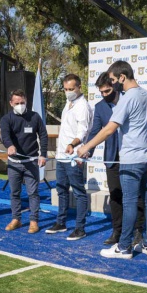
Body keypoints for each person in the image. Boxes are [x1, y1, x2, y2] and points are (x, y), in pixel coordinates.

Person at [78, 60, 147, 259]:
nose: (113, 84)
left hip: (132, 159)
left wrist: (86, 146)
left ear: (122, 77)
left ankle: (124, 247)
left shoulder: (127, 97)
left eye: (113, 80)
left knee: (129, 202)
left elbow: (110, 128)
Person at [86, 72, 145, 245]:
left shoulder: (129, 99)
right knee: (115, 195)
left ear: (114, 86)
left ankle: (138, 231)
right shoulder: (100, 107)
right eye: (101, 92)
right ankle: (117, 231)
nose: (105, 95)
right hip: (112, 158)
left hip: (132, 156)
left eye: (107, 91)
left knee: (136, 195)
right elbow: (96, 131)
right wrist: (88, 150)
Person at [45, 74, 93, 241]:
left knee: (79, 192)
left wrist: (73, 145)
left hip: (74, 156)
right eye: (65, 89)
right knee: (61, 189)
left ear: (79, 87)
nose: (68, 92)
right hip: (61, 156)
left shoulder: (83, 107)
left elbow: (83, 132)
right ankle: (61, 222)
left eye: (71, 89)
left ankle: (80, 228)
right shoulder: (68, 103)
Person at [0, 89, 48, 234]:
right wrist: (10, 146)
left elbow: (43, 135)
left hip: (31, 162)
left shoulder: (34, 116)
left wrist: (43, 154)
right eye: (17, 103)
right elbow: (5, 135)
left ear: (26, 101)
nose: (20, 105)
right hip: (14, 163)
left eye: (22, 102)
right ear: (11, 103)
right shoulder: (6, 119)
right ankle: (16, 219)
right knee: (15, 192)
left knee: (33, 193)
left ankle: (34, 221)